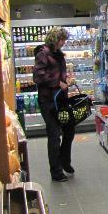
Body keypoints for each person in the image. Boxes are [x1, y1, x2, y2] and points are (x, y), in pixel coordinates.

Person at [33, 27, 76, 182]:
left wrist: (66, 78)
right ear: (54, 39)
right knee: (54, 135)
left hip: (61, 100)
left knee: (69, 130)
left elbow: (59, 72)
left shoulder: (59, 54)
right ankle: (56, 172)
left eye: (64, 39)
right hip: (48, 101)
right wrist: (58, 83)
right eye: (61, 39)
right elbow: (38, 77)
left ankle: (65, 161)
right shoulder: (43, 54)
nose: (63, 42)